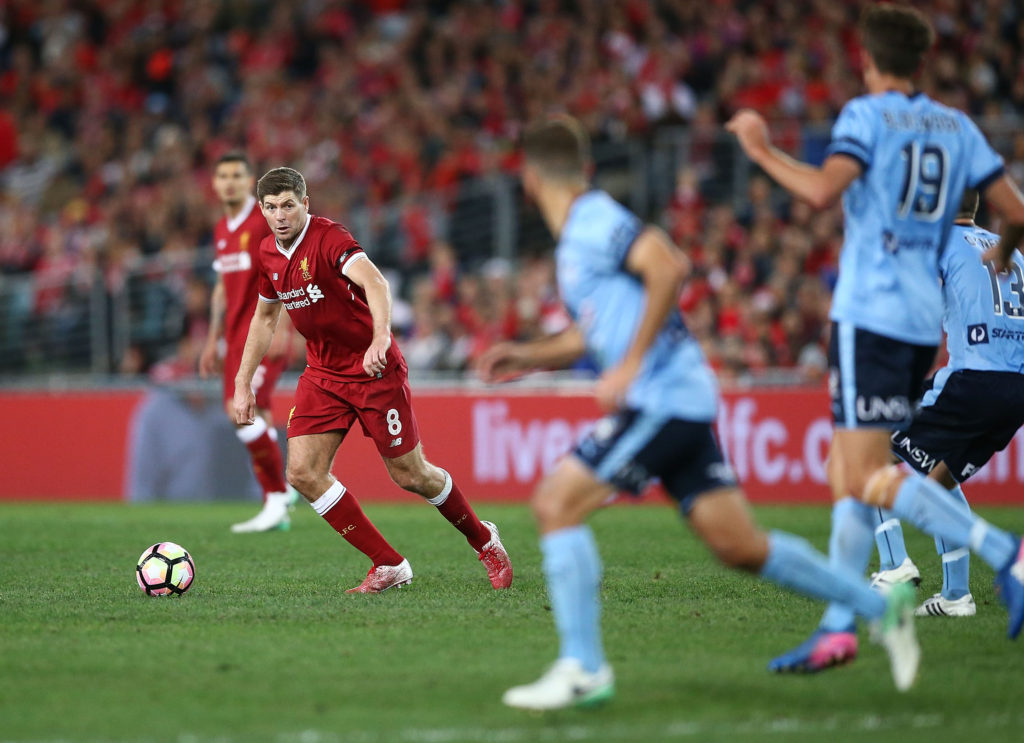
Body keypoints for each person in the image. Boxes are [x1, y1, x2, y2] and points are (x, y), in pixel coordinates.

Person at [480, 116, 921, 712]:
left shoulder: (592, 220)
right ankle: (881, 609)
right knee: (739, 545)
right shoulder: (578, 238)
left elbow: (670, 265)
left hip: (662, 397)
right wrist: (528, 355)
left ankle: (582, 667)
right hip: (680, 397)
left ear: (528, 180)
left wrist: (631, 365)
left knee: (556, 503)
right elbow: (595, 332)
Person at [726, 3, 1024, 673]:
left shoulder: (865, 115)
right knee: (849, 471)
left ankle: (1003, 553)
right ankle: (845, 618)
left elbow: (818, 191)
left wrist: (759, 149)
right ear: (921, 62)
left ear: (868, 60)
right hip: (921, 328)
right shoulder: (956, 125)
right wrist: (1004, 253)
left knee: (864, 472)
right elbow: (1018, 213)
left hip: (871, 315)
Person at [232, 166, 512, 593]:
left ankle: (484, 539)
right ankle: (388, 564)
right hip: (322, 374)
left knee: (411, 475)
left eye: (288, 205)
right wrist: (241, 381)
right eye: (271, 208)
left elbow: (375, 282)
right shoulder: (269, 254)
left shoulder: (329, 238)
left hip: (372, 369)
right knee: (304, 472)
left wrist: (380, 335)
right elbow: (265, 317)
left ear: (305, 205)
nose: (280, 215)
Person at [868, 190, 1024, 618]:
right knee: (939, 479)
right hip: (1016, 391)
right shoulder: (1009, 252)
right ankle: (957, 595)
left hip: (971, 380)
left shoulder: (938, 242)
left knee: (865, 445)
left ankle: (894, 565)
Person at [199, 152, 296, 533]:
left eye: (236, 175)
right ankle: (277, 506)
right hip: (234, 337)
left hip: (263, 333)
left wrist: (284, 329)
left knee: (239, 412)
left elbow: (286, 268)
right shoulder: (223, 229)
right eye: (222, 175)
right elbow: (222, 289)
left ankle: (278, 494)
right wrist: (211, 340)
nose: (228, 182)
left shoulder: (262, 221)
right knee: (259, 417)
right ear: (214, 183)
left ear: (249, 180)